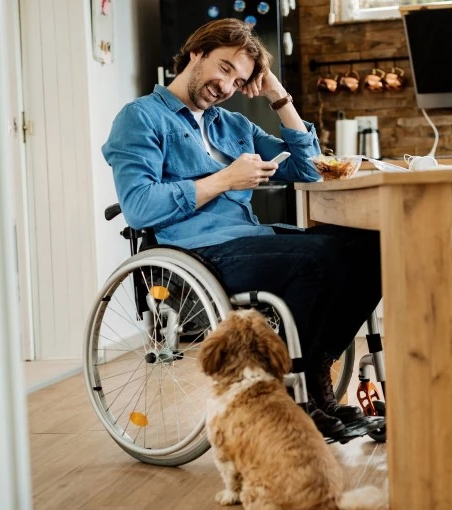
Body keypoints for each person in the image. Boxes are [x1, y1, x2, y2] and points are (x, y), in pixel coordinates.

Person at [101, 19, 381, 437]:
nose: (228, 86)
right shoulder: (140, 118)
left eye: (240, 79)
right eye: (225, 68)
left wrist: (278, 96)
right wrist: (224, 180)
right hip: (195, 253)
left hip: (250, 241)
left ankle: (317, 369)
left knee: (371, 245)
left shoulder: (231, 125)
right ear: (196, 53)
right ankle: (293, 394)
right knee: (319, 257)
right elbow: (139, 207)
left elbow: (309, 169)